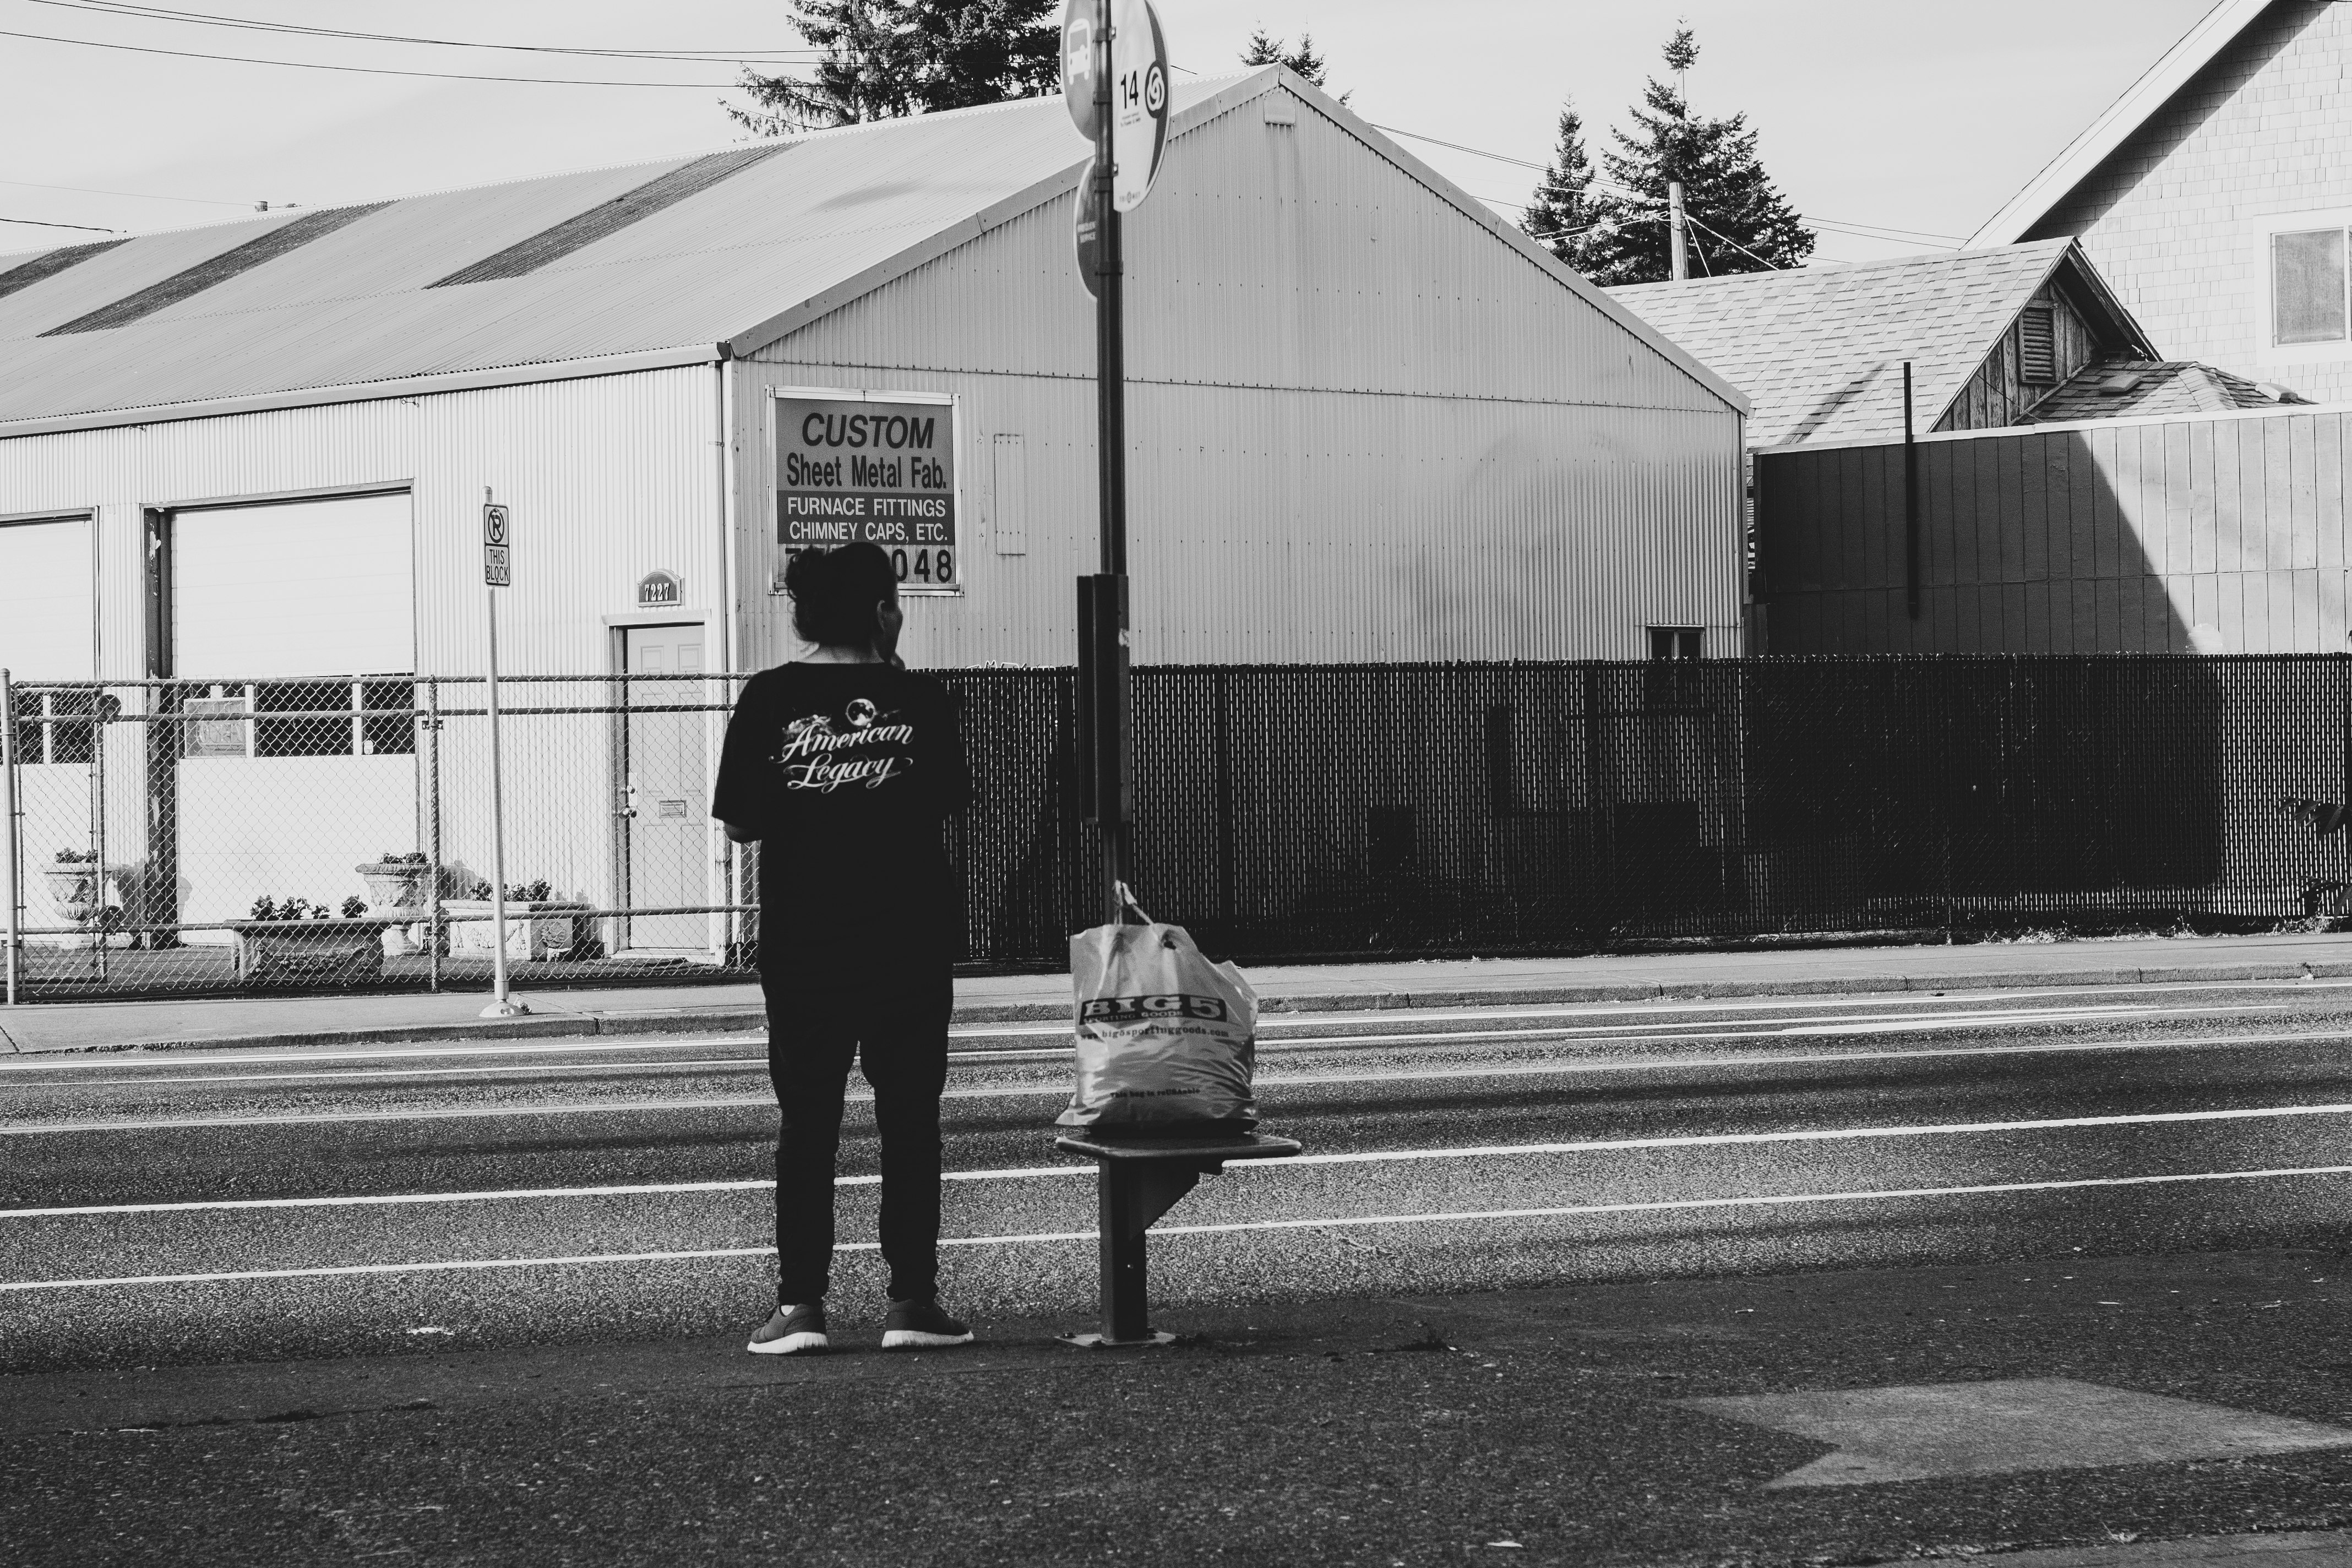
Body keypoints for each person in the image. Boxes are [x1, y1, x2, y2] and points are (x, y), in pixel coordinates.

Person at [712, 542, 974, 1355]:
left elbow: (742, 821)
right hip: (908, 942)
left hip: (806, 945)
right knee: (909, 1121)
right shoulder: (921, 700)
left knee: (809, 1124)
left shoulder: (769, 698)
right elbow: (949, 800)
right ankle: (912, 1303)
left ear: (804, 613)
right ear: (881, 610)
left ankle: (800, 1308)